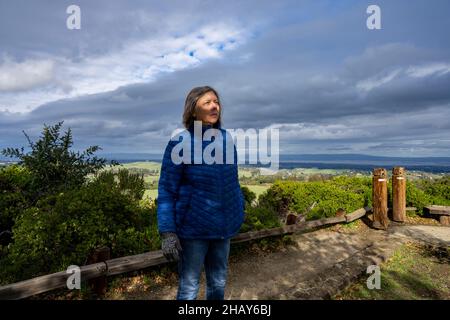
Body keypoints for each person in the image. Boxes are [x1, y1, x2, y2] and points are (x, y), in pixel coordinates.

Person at [157, 86, 245, 300]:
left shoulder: (226, 139)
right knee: (189, 288)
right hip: (192, 230)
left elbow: (232, 181)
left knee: (218, 282)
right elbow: (167, 190)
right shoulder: (180, 142)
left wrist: (238, 208)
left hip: (223, 228)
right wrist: (168, 232)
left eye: (216, 102)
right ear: (193, 110)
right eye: (207, 102)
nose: (215, 106)